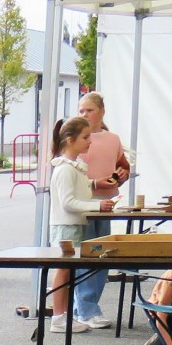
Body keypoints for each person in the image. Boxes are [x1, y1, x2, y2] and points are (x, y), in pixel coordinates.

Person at [47, 116, 114, 332]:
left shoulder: (75, 167)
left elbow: (78, 198)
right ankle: (58, 318)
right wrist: (97, 206)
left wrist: (97, 203)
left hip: (74, 226)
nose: (89, 141)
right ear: (69, 139)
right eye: (85, 137)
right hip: (67, 228)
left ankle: (65, 315)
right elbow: (68, 203)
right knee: (64, 271)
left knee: (69, 272)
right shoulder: (65, 169)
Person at [70, 91, 131, 327]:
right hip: (82, 205)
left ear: (101, 112)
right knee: (86, 255)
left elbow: (122, 167)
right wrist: (95, 183)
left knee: (102, 256)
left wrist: (122, 175)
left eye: (89, 110)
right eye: (81, 111)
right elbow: (66, 172)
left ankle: (86, 306)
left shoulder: (112, 139)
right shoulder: (73, 137)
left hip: (106, 205)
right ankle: (86, 308)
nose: (84, 115)